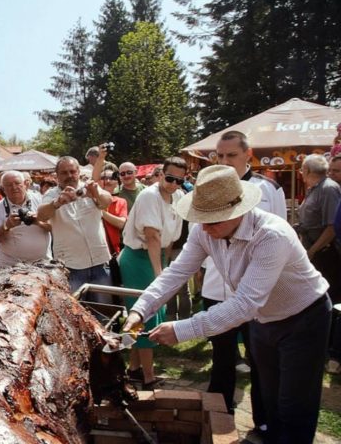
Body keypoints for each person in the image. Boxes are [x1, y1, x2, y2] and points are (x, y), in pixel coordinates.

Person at [123, 165, 332, 444]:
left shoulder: (271, 235)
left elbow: (245, 303)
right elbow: (177, 272)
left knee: (295, 404)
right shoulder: (204, 230)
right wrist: (141, 308)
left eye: (213, 221)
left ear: (238, 211)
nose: (205, 228)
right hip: (264, 319)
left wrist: (183, 329)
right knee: (270, 397)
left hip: (304, 318)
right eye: (201, 219)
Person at [202, 130, 286, 432]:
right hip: (216, 286)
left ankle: (264, 420)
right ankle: (217, 416)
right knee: (222, 358)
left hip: (255, 293)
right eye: (219, 156)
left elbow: (280, 238)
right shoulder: (208, 188)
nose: (224, 161)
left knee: (260, 359)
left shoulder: (268, 189)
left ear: (247, 155)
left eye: (231, 155)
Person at [119, 156, 186, 389]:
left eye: (179, 180)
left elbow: (169, 239)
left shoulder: (179, 197)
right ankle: (148, 377)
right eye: (169, 178)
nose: (173, 184)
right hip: (139, 258)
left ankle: (134, 369)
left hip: (158, 257)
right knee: (144, 315)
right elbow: (152, 236)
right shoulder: (149, 196)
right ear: (160, 175)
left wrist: (165, 266)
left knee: (151, 313)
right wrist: (160, 275)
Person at [37, 156, 112, 294]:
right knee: (75, 311)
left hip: (99, 260)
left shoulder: (88, 187)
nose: (69, 176)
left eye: (72, 171)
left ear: (78, 172)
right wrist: (57, 203)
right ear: (57, 175)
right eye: (64, 173)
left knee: (104, 310)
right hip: (71, 265)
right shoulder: (52, 194)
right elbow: (41, 215)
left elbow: (107, 201)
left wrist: (96, 195)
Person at [297, 154, 340, 304]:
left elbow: (332, 227)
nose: (300, 172)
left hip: (326, 254)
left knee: (329, 296)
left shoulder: (328, 189)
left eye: (302, 169)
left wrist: (312, 251)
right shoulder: (314, 188)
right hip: (316, 252)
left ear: (307, 170)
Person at [0, 171, 52, 269]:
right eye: (8, 185)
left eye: (17, 183)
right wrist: (6, 225)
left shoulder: (40, 200)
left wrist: (37, 222)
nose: (14, 187)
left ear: (25, 184)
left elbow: (54, 228)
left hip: (42, 263)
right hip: (11, 266)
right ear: (3, 189)